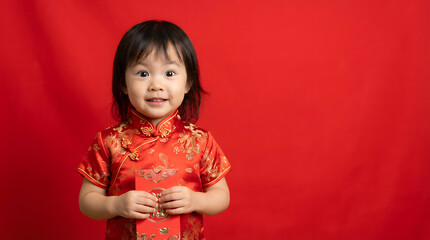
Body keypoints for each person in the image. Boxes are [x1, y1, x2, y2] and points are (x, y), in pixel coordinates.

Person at [77, 20, 231, 240]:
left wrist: (195, 200)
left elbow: (221, 197)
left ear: (188, 83)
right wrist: (116, 204)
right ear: (123, 83)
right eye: (143, 74)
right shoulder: (108, 141)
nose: (156, 85)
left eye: (169, 74)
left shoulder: (200, 140)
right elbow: (87, 201)